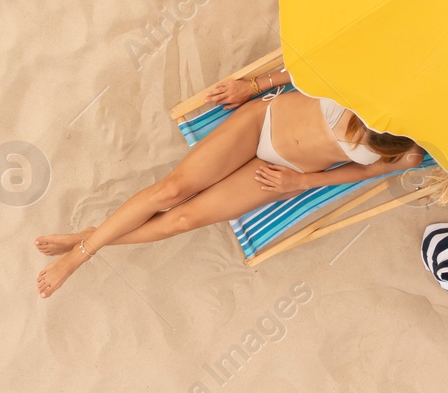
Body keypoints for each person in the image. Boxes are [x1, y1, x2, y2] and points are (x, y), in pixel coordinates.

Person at [35, 66, 424, 297]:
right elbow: (302, 68)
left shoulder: (408, 149)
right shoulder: (363, 80)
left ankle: (90, 237)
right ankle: (79, 257)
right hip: (261, 124)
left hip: (282, 172)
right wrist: (253, 86)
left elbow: (367, 171)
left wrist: (300, 183)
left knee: (182, 220)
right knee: (171, 191)